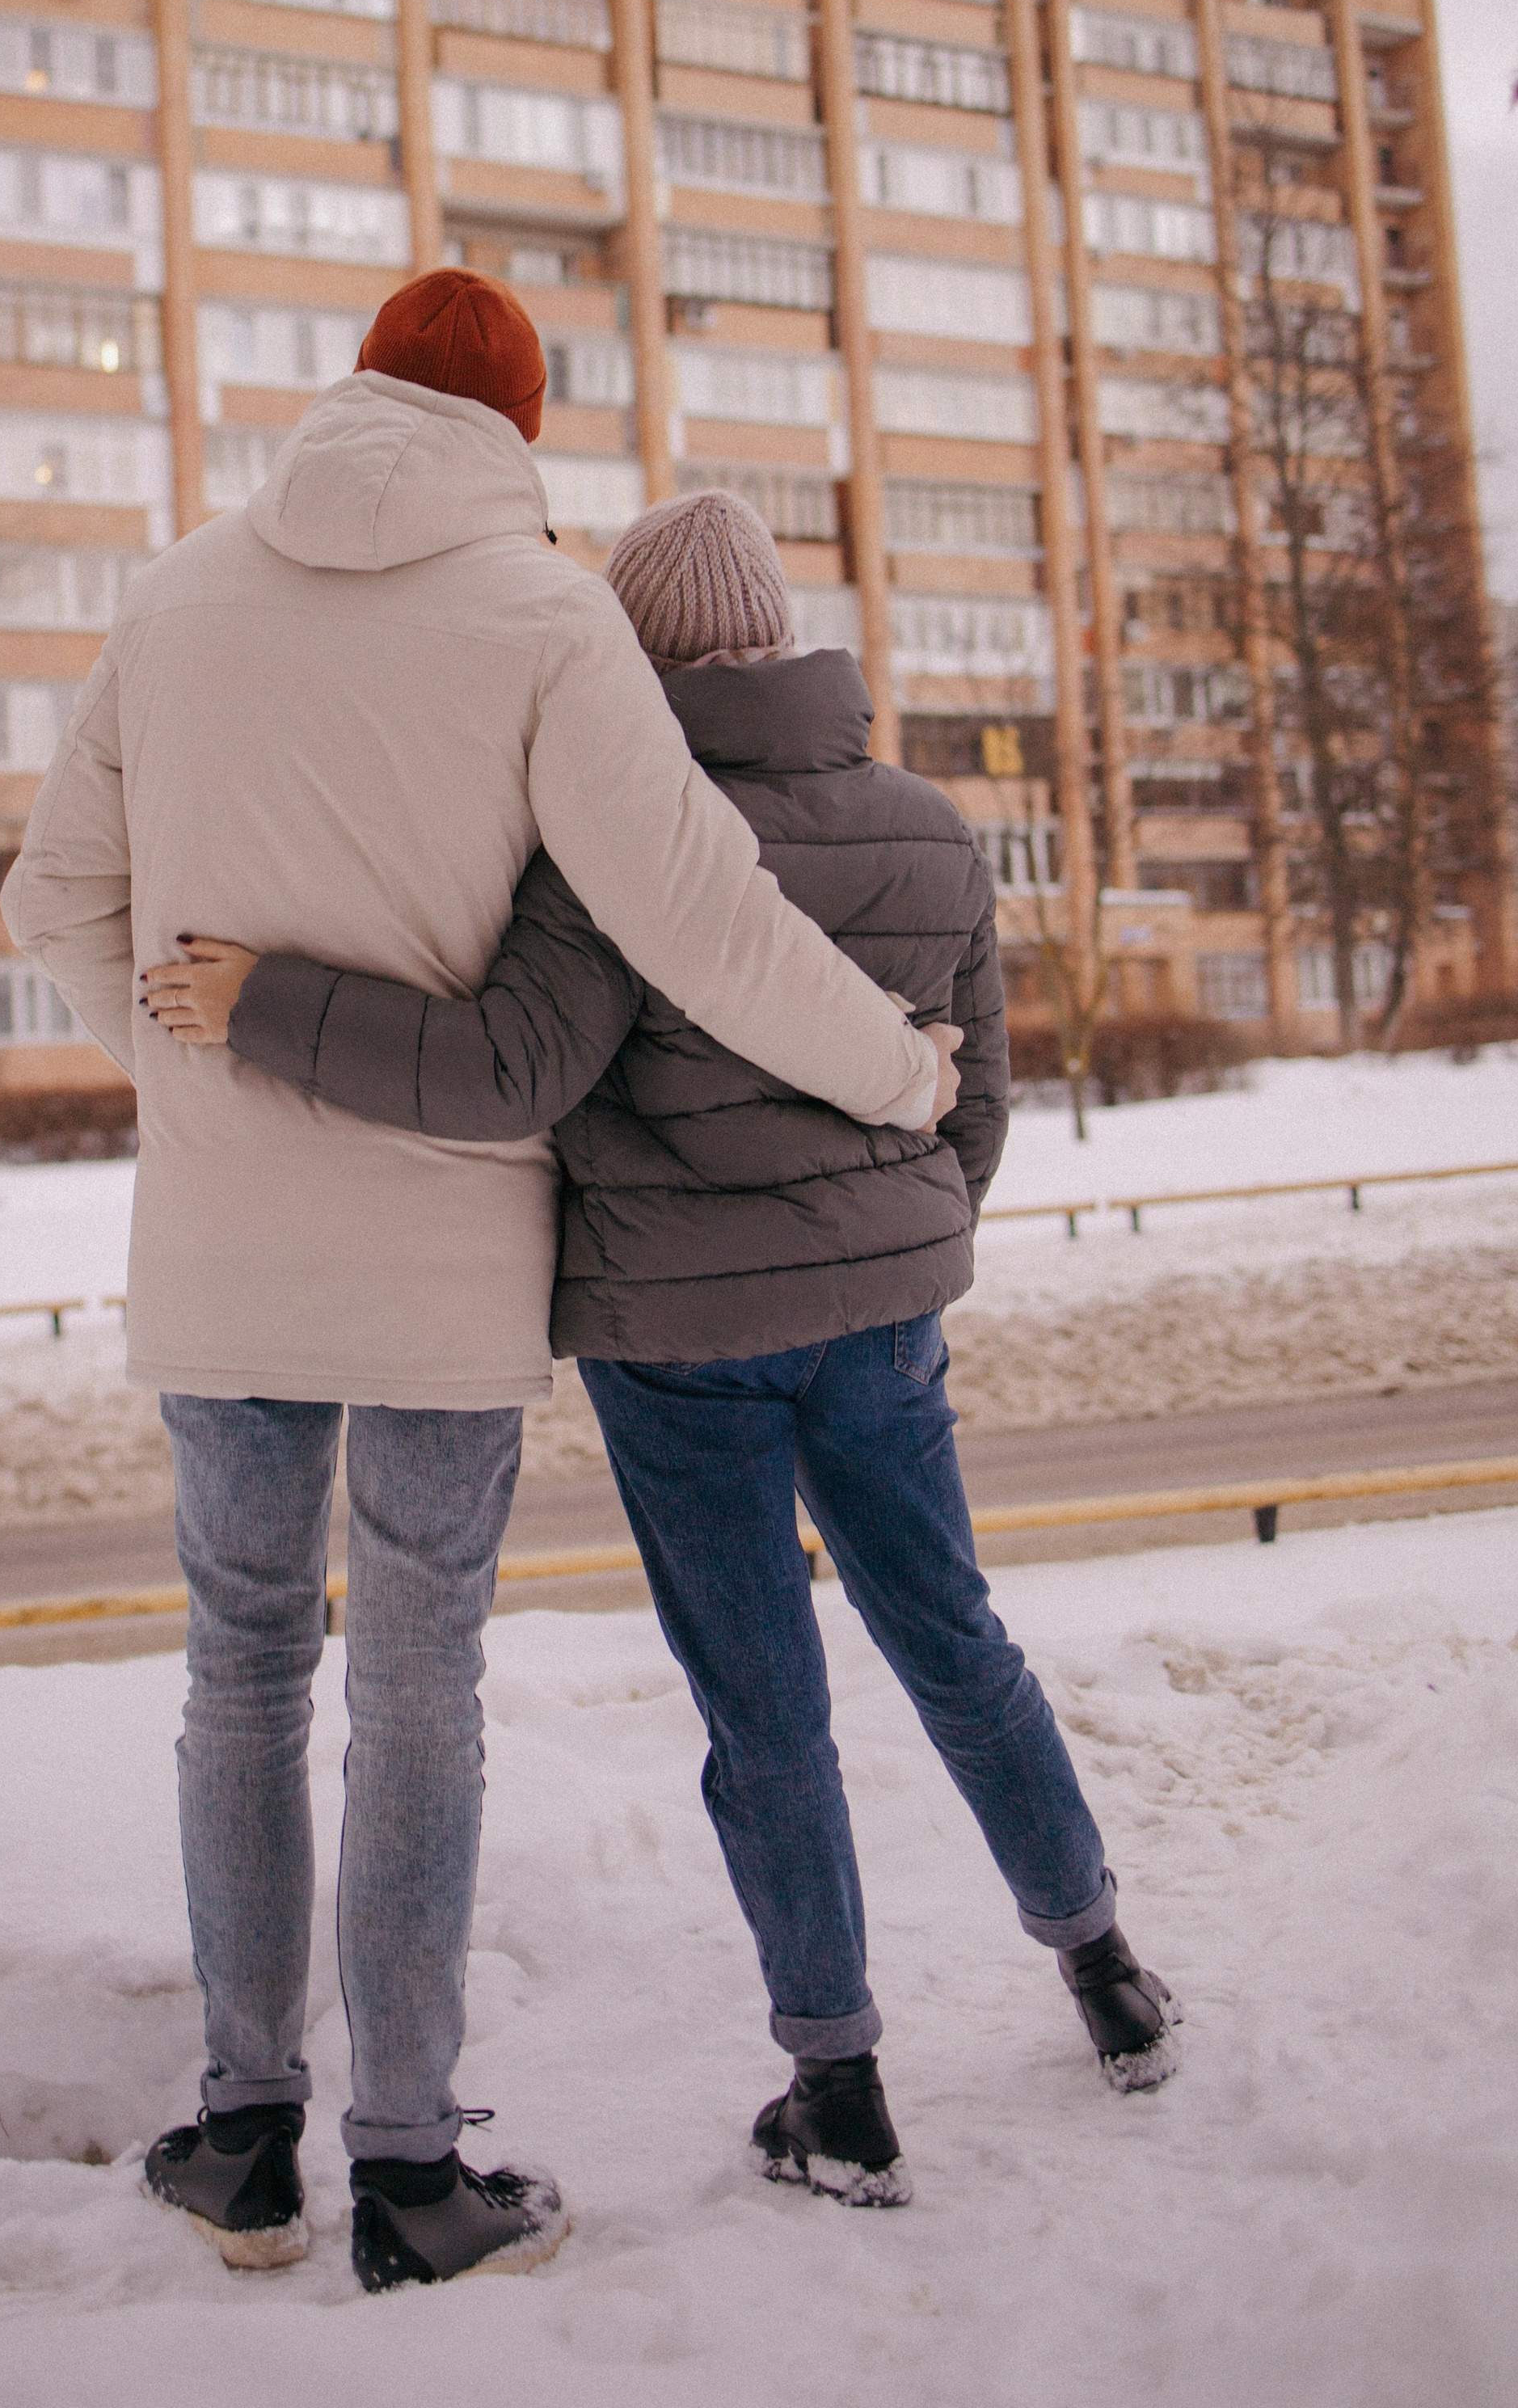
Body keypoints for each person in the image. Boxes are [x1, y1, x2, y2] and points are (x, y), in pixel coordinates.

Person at [1, 272, 959, 2292]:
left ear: (354, 390)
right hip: (446, 1253)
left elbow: (51, 898)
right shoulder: (543, 615)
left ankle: (243, 2130)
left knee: (239, 1677)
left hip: (221, 1247)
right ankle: (412, 2177)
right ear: (517, 425)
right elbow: (702, 920)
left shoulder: (175, 594)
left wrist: (205, 1072)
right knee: (416, 1691)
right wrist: (903, 1069)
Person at [145, 484, 1181, 2217]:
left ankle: (838, 2091)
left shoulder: (612, 838)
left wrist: (261, 997)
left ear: (627, 650)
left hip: (678, 1343)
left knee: (761, 1707)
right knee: (953, 1638)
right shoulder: (929, 829)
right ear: (782, 632)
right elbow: (973, 1106)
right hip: (879, 1327)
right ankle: (1106, 1975)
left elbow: (505, 1069)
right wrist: (890, 1247)